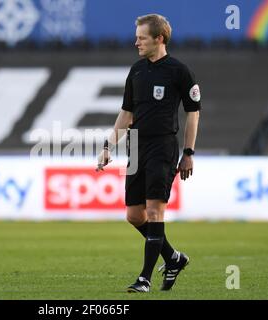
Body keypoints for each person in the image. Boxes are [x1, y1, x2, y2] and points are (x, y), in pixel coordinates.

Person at [96, 14, 201, 292]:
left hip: (163, 147)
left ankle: (144, 278)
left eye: (141, 38)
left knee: (155, 212)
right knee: (134, 214)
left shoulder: (179, 71)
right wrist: (108, 147)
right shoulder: (137, 71)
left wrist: (188, 152)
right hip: (136, 146)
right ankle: (174, 258)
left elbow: (193, 113)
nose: (136, 43)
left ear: (159, 39)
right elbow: (126, 113)